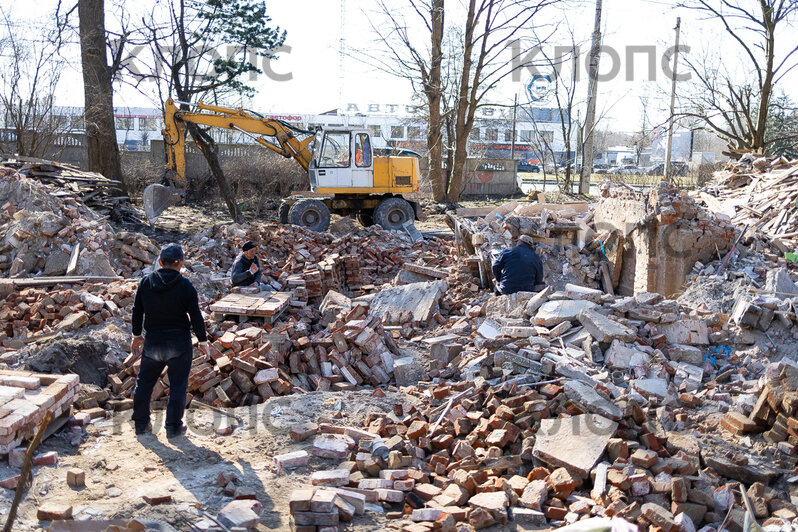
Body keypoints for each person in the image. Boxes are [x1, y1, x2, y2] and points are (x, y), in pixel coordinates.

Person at [130, 244, 209, 438]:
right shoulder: (185, 286)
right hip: (178, 342)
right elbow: (196, 317)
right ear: (181, 263)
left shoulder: (145, 283)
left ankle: (141, 424)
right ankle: (173, 427)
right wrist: (203, 341)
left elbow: (137, 312)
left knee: (145, 383)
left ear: (159, 262)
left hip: (153, 342)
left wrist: (136, 336)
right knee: (178, 386)